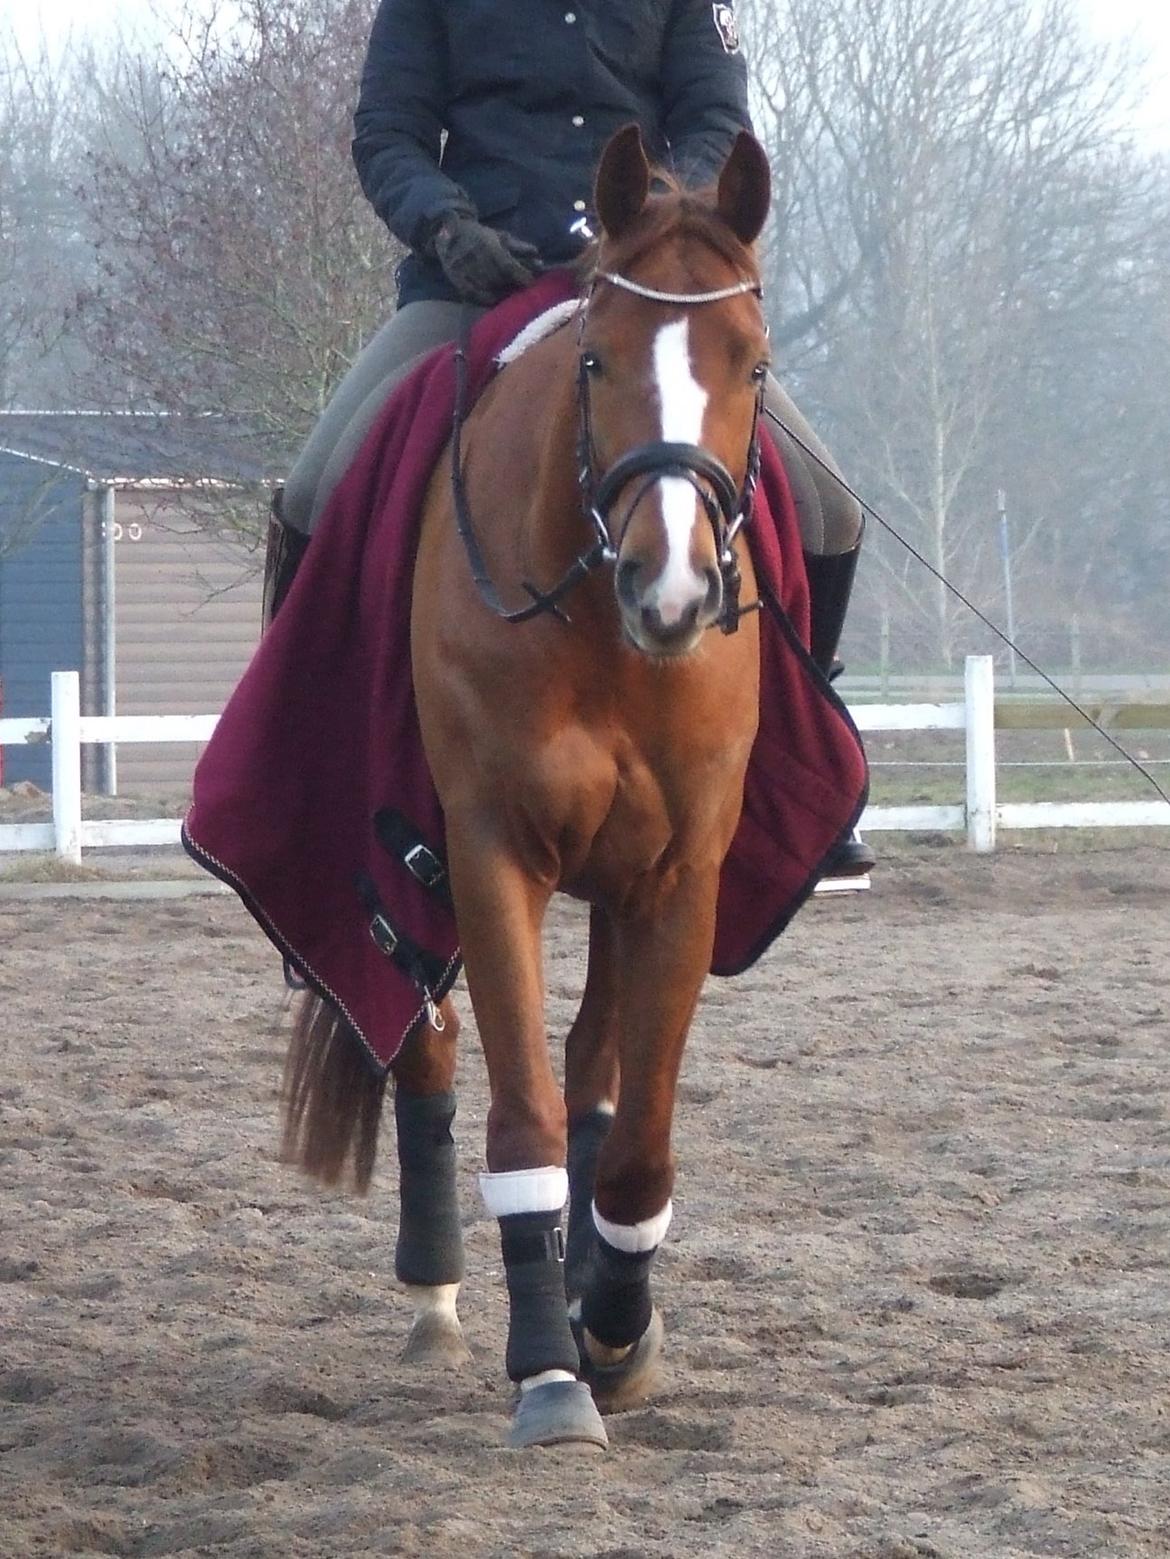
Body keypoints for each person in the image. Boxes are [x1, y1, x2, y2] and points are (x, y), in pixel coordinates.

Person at [265, 0, 873, 875]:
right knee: (314, 493)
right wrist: (446, 225)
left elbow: (713, 118)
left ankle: (796, 766)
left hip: (647, 285)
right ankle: (305, 770)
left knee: (829, 512)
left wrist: (661, 216)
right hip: (476, 283)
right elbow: (388, 133)